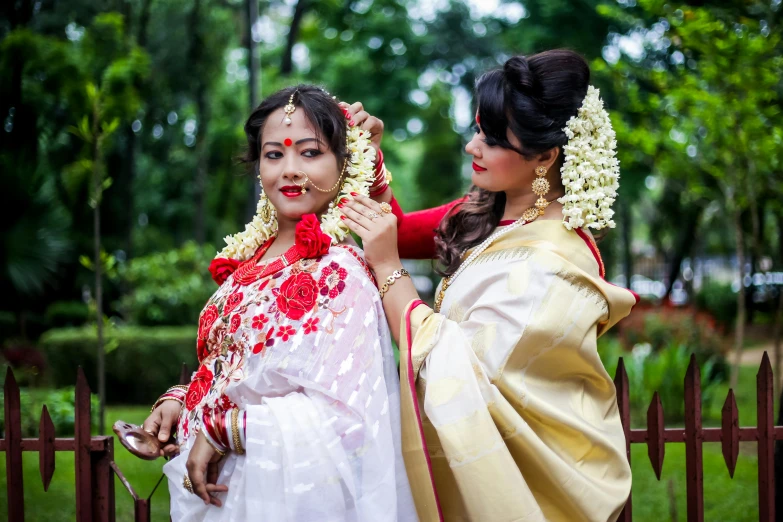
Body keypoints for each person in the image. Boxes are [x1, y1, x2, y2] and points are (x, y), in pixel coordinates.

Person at [339, 50, 637, 521]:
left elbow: (467, 374)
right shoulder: (483, 211)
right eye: (478, 128)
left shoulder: (553, 262)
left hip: (532, 483)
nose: (471, 146)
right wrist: (366, 155)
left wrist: (387, 268)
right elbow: (393, 226)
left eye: (492, 138)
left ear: (544, 156)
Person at [140, 85, 416, 521]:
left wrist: (224, 431)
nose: (289, 170)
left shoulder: (341, 270)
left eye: (310, 153)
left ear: (345, 164)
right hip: (217, 493)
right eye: (274, 155)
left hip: (281, 497)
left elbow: (346, 417)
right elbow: (234, 364)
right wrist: (181, 403)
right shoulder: (247, 262)